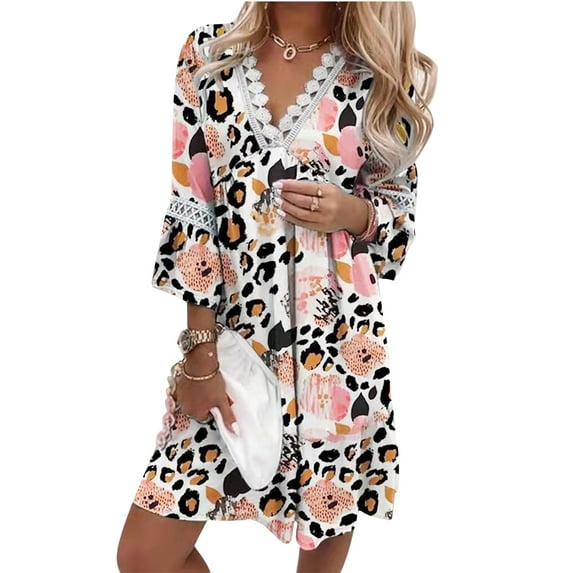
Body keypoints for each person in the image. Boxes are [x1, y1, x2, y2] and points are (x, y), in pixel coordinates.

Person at [117, 2, 437, 571]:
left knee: (320, 541)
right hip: (234, 357)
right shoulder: (208, 56)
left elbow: (397, 234)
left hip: (336, 362)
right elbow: (193, 210)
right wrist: (200, 357)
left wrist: (352, 212)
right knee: (145, 557)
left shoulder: (381, 73)